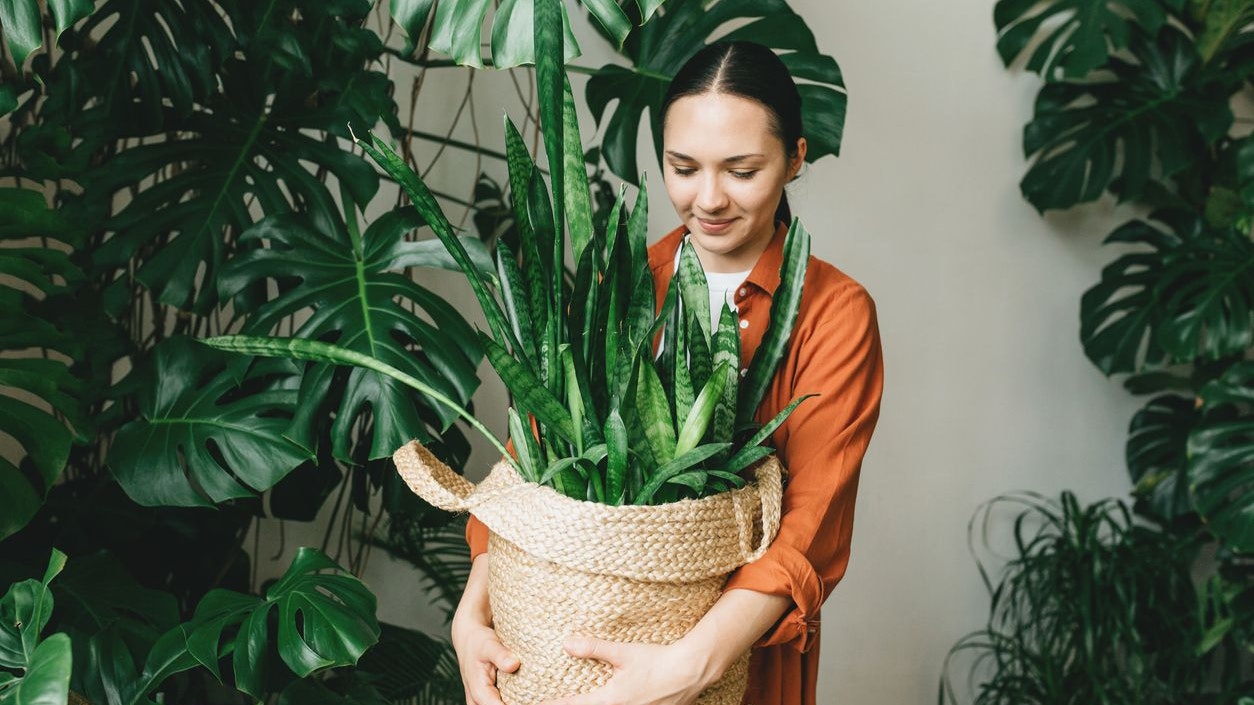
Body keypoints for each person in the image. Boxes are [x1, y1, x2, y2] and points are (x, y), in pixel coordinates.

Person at [452, 40, 885, 705]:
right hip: (563, 652)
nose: (708, 198)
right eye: (682, 166)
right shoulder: (620, 282)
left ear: (796, 159)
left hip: (732, 666)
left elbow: (808, 530)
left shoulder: (834, 313)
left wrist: (684, 670)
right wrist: (471, 613)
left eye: (742, 170)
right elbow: (528, 466)